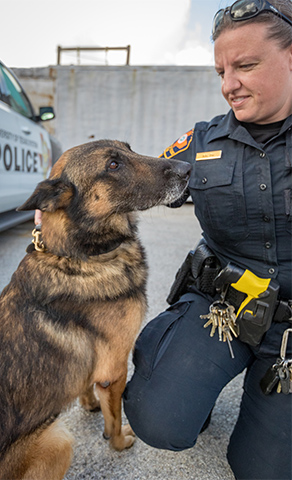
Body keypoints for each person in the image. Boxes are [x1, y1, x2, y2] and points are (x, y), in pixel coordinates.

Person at [122, 1, 292, 479]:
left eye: (246, 66)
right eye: (221, 70)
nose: (228, 84)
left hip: (291, 335)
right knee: (159, 420)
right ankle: (192, 385)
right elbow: (136, 184)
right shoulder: (201, 141)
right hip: (222, 308)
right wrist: (61, 199)